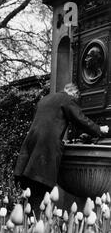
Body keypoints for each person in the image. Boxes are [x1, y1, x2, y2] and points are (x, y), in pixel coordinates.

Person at [14, 83, 109, 212]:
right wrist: (99, 129)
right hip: (47, 148)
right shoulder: (66, 99)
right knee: (41, 188)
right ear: (74, 94)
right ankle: (36, 224)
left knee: (33, 187)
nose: (75, 101)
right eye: (76, 98)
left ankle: (30, 221)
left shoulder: (45, 99)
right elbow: (80, 119)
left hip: (32, 145)